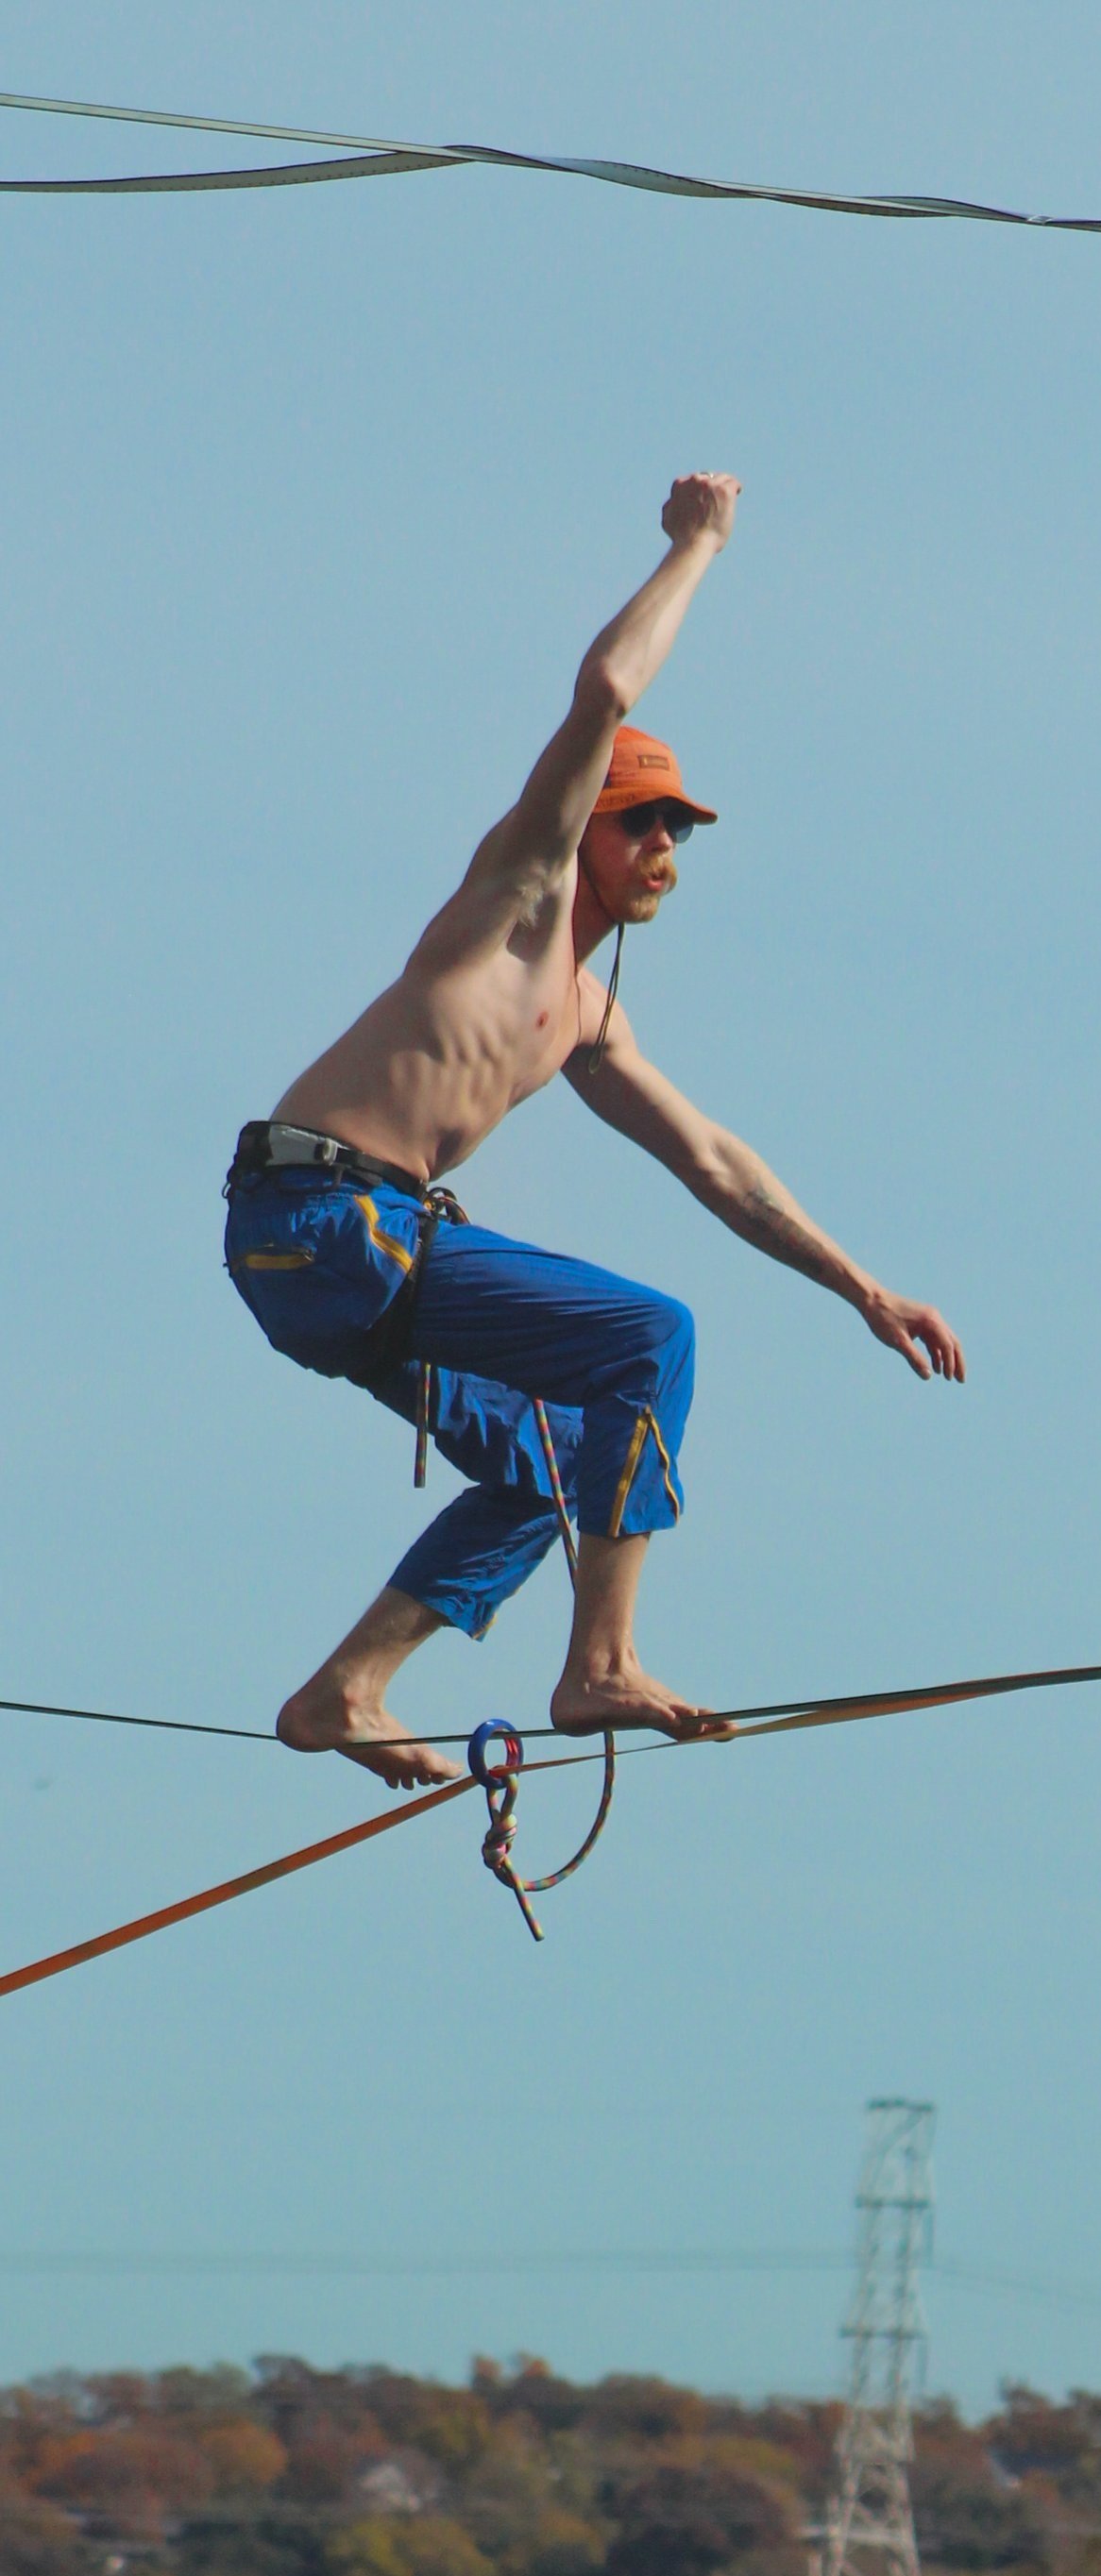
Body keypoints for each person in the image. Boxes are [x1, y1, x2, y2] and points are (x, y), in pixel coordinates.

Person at [224, 471, 963, 1788]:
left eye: (680, 827)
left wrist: (863, 1286)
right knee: (649, 1337)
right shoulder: (517, 899)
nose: (666, 846)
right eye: (645, 823)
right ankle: (600, 1666)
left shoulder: (584, 1019)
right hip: (330, 1221)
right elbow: (607, 695)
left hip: (330, 1262)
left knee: (558, 1467)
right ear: (588, 832)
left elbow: (717, 1166)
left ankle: (348, 1687)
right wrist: (698, 545)